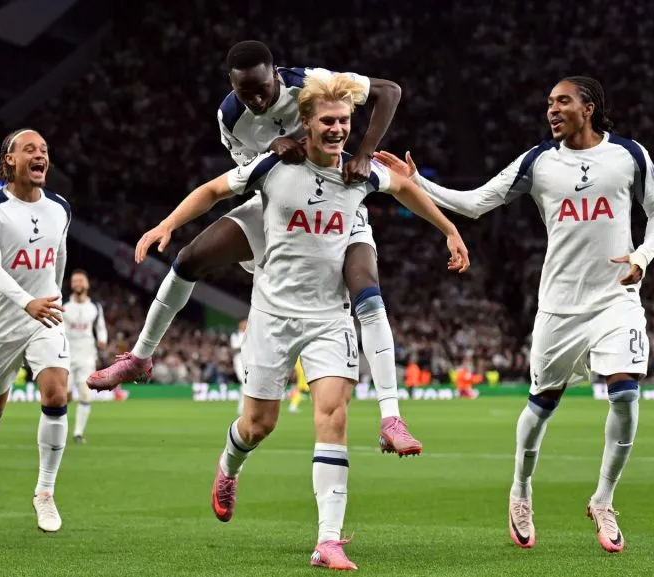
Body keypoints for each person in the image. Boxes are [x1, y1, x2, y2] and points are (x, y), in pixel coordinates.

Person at [134, 74, 469, 570]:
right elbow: (210, 190)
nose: (337, 130)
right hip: (271, 316)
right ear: (306, 125)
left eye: (344, 122)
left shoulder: (360, 172)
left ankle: (327, 540)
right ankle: (229, 466)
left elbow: (405, 188)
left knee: (333, 415)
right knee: (257, 425)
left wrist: (449, 229)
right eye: (327, 122)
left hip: (328, 319)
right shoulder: (272, 165)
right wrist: (167, 225)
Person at [374, 76, 654, 553]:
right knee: (540, 405)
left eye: (563, 101)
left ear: (589, 107)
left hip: (616, 298)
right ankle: (520, 489)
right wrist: (416, 182)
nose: (552, 110)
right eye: (549, 103)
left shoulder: (630, 155)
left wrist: (642, 257)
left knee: (626, 394)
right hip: (558, 306)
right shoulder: (538, 162)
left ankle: (603, 499)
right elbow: (474, 204)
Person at [89, 40, 423, 457]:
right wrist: (269, 150)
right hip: (279, 206)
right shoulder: (229, 116)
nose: (257, 99)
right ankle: (140, 357)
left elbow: (388, 91)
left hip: (338, 201)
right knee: (190, 258)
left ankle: (391, 415)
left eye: (263, 88)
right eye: (246, 93)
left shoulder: (311, 81)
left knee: (365, 287)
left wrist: (366, 152)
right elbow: (243, 175)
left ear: (276, 75)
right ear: (232, 85)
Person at [0, 129, 72, 533]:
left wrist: (51, 297)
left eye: (44, 149)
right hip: (2, 320)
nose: (40, 154)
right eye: (30, 149)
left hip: (44, 315)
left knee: (56, 392)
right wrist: (26, 299)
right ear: (10, 159)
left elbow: (58, 257)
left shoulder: (60, 208)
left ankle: (45, 492)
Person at [63, 269, 108, 443]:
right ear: (71, 285)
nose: (78, 284)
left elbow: (101, 327)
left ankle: (78, 433)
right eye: (75, 281)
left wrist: (102, 340)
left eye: (81, 280)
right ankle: (61, 429)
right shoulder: (64, 305)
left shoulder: (95, 307)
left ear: (87, 284)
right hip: (65, 355)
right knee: (64, 396)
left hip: (87, 356)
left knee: (85, 393)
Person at [230, 318, 247, 415]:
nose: (246, 324)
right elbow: (234, 348)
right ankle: (242, 410)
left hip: (249, 361)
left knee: (246, 384)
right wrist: (245, 345)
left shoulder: (250, 334)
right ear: (240, 324)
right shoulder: (235, 335)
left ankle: (243, 409)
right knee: (245, 383)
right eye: (244, 323)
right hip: (239, 362)